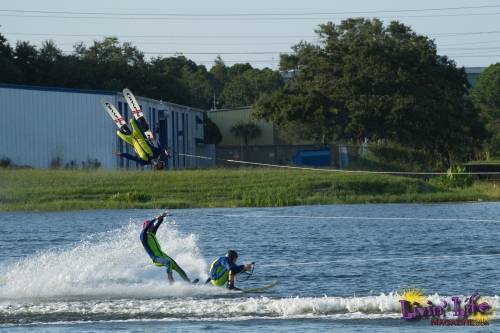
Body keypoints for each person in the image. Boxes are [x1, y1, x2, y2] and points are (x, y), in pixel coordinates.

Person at [140, 212, 196, 284]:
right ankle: (171, 281)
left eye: (152, 226)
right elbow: (147, 226)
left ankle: (189, 282)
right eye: (150, 226)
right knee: (168, 263)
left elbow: (159, 222)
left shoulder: (152, 233)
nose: (152, 227)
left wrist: (162, 216)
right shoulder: (143, 236)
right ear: (146, 227)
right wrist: (156, 218)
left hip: (163, 255)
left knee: (177, 267)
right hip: (155, 258)